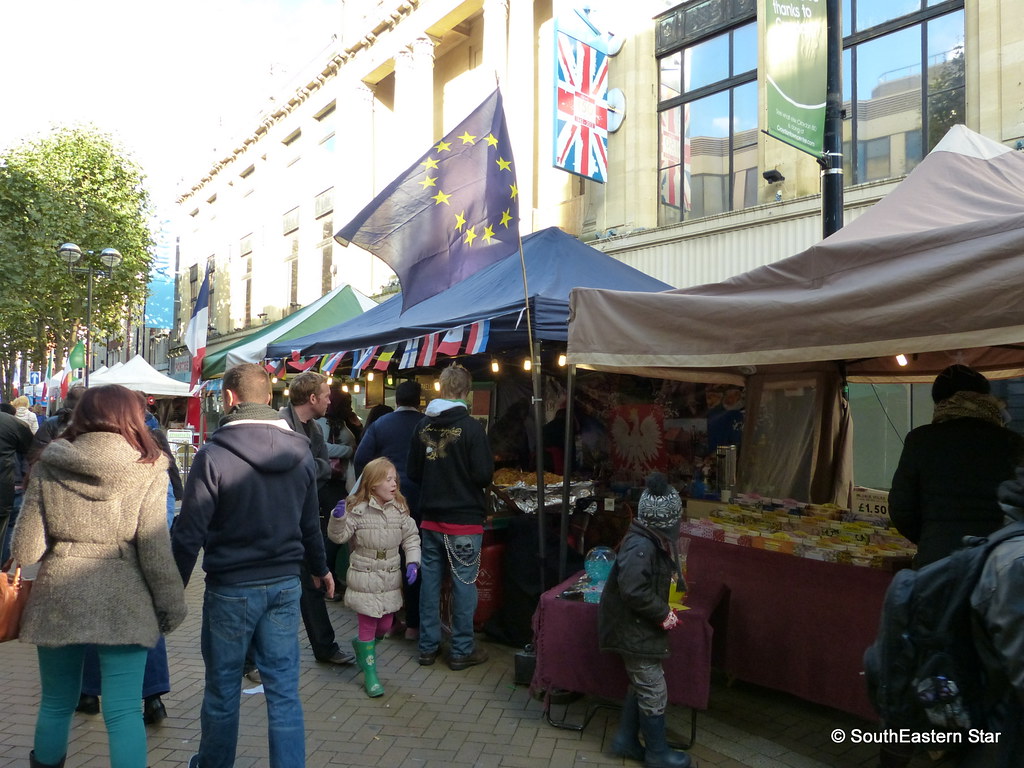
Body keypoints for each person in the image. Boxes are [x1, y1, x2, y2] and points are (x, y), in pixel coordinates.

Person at [11, 384, 186, 768]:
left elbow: (26, 551)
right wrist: (172, 605)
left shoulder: (48, 465)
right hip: (126, 597)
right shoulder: (149, 469)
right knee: (123, 711)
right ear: (131, 418)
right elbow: (155, 551)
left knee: (57, 702)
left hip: (59, 594)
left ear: (81, 415)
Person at [171, 363, 335, 768]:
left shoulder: (213, 455)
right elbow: (308, 523)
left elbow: (189, 533)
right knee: (283, 691)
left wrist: (171, 589)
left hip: (231, 588)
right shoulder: (301, 453)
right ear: (268, 398)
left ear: (229, 399)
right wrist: (321, 568)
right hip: (284, 585)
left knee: (223, 690)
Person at [77, 400, 185, 724]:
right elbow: (163, 512)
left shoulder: (83, 455)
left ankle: (91, 692)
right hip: (139, 556)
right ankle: (151, 697)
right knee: (148, 624)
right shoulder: (151, 456)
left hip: (97, 559)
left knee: (94, 623)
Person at [598, 472, 692, 768]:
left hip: (634, 628)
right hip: (634, 629)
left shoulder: (646, 540)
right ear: (667, 520)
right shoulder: (642, 546)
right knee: (652, 687)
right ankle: (657, 753)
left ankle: (626, 739)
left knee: (641, 684)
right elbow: (634, 590)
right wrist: (663, 613)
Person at [889, 364, 1023, 568]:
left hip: (937, 562)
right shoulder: (1013, 443)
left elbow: (902, 509)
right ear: (987, 398)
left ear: (941, 402)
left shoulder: (921, 440)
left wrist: (932, 537)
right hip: (997, 564)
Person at [408, 364, 494, 671]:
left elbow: (413, 472)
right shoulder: (472, 428)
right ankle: (461, 650)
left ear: (441, 389)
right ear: (466, 392)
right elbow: (484, 475)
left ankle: (428, 648)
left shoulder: (422, 427)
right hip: (464, 522)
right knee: (463, 584)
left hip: (430, 519)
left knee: (430, 584)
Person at [327, 457, 421, 697]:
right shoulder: (357, 510)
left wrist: (413, 562)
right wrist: (338, 519)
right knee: (368, 623)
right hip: (365, 575)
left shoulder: (399, 508)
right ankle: (371, 674)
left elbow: (411, 537)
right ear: (372, 484)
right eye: (387, 479)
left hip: (390, 575)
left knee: (387, 624)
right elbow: (339, 537)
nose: (393, 484)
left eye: (394, 479)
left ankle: (362, 648)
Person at [278, 371, 355, 666]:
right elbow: (301, 468)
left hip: (305, 515)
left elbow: (322, 469)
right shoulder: (280, 426)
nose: (329, 399)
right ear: (312, 399)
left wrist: (307, 467)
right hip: (281, 522)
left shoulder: (315, 431)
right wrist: (311, 467)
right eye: (325, 395)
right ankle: (250, 660)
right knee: (274, 589)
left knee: (312, 583)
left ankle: (325, 647)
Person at [354, 380, 424, 640]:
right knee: (413, 561)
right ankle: (415, 626)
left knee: (386, 562)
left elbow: (361, 459)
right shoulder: (426, 424)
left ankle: (391, 620)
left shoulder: (380, 425)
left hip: (386, 504)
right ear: (419, 400)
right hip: (419, 502)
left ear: (397, 400)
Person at [0, 402, 33, 557]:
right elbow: (31, 451)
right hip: (5, 488)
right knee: (6, 531)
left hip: (6, 486)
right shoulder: (14, 424)